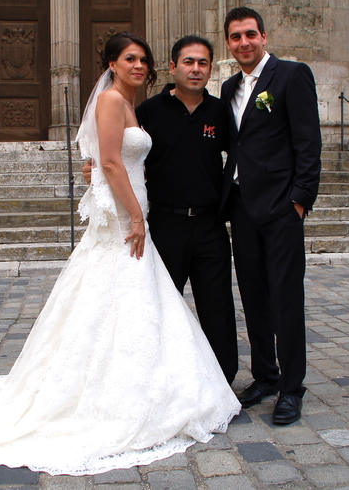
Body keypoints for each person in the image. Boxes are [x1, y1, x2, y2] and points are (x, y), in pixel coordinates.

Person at [0, 32, 240, 476]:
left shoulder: (143, 107)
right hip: (135, 221)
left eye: (142, 59)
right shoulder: (123, 103)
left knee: (148, 307)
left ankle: (165, 384)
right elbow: (109, 160)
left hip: (171, 218)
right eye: (130, 59)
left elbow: (123, 157)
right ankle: (113, 396)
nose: (138, 66)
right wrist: (133, 213)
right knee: (121, 302)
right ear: (112, 64)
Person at [85, 36, 238, 383]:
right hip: (165, 224)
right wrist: (95, 169)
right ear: (172, 67)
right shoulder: (149, 111)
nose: (195, 69)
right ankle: (163, 380)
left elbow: (241, 156)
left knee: (218, 307)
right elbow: (119, 153)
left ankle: (223, 382)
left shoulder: (220, 112)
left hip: (210, 225)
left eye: (202, 63)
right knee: (159, 307)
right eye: (188, 62)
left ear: (210, 69)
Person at [220, 7, 322, 424]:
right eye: (235, 36)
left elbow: (308, 142)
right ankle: (265, 376)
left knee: (285, 298)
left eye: (250, 34)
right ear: (228, 43)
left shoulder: (292, 76)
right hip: (242, 206)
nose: (243, 42)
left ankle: (292, 388)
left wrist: (299, 200)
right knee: (253, 296)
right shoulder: (228, 87)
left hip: (281, 207)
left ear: (264, 36)